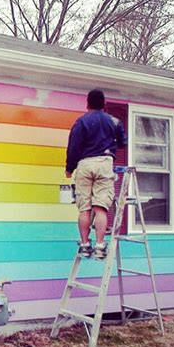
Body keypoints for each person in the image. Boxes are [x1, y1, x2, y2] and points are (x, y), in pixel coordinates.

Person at [65, 89, 127, 259]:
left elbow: (73, 146)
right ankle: (100, 246)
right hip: (104, 163)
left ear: (88, 104)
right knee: (100, 208)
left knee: (84, 208)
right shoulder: (114, 121)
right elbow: (123, 142)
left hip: (84, 164)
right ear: (104, 104)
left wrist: (69, 168)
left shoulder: (81, 122)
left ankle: (85, 245)